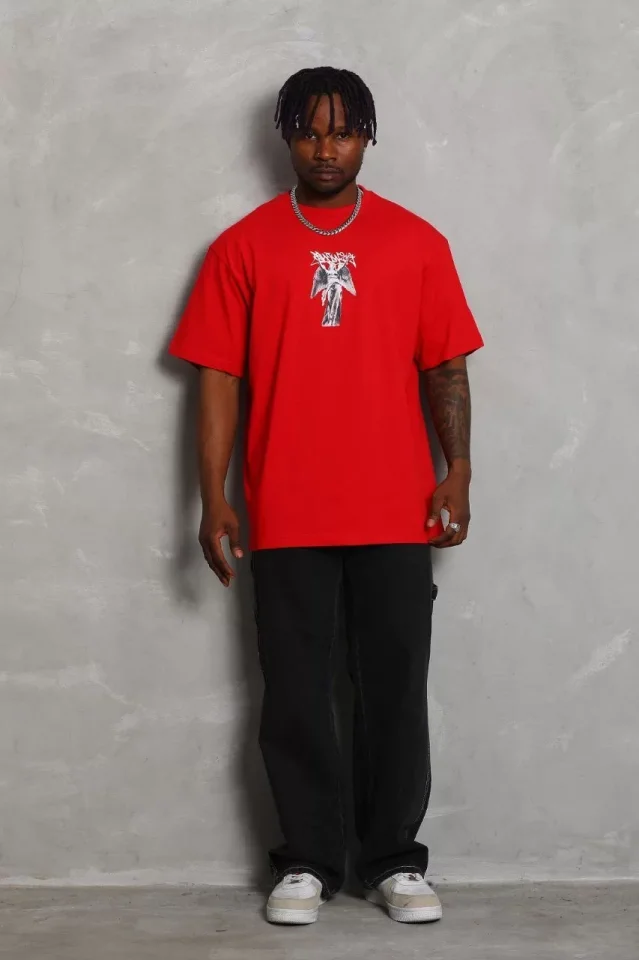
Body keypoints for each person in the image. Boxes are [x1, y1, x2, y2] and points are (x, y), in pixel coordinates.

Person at [169, 66, 483, 925]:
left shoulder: (416, 243)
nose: (324, 148)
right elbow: (218, 380)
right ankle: (306, 860)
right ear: (285, 137)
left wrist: (457, 470)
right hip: (286, 510)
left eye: (342, 131)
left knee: (393, 689)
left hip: (395, 508)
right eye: (308, 131)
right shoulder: (242, 247)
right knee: (296, 693)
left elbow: (445, 367)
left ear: (366, 137)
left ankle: (393, 861)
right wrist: (212, 496)